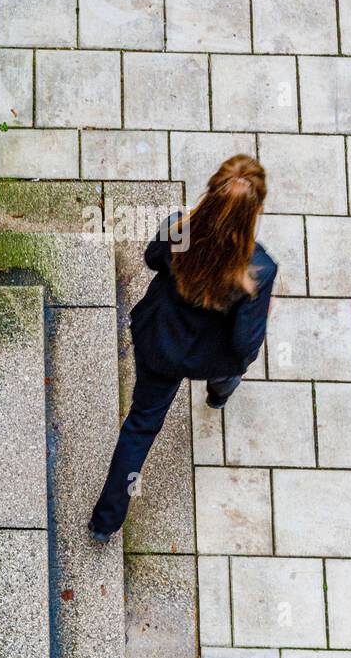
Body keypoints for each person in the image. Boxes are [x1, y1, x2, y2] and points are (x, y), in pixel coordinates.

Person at [89, 154, 278, 541]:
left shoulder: (181, 230)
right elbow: (245, 342)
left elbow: (151, 258)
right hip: (209, 354)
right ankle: (219, 394)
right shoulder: (257, 268)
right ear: (255, 211)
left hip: (159, 342)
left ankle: (105, 522)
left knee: (140, 428)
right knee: (232, 369)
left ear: (210, 192)